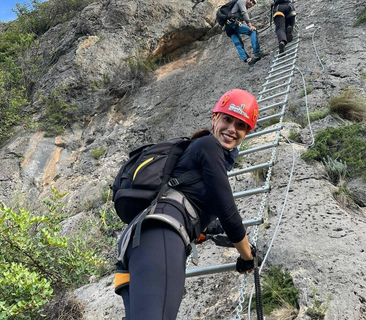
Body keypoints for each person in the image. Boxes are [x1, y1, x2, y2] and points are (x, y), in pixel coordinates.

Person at [115, 89, 259, 320]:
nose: (232, 129)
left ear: (247, 132)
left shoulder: (202, 155)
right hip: (161, 233)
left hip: (145, 240)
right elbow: (228, 211)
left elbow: (195, 209)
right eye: (227, 119)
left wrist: (208, 231)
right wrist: (247, 256)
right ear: (215, 118)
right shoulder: (209, 146)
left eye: (241, 125)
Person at [225, 0, 268, 66]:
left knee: (238, 43)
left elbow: (238, 15)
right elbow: (244, 12)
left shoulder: (239, 5)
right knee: (253, 31)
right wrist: (250, 25)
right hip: (234, 24)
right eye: (251, 1)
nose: (252, 3)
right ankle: (257, 52)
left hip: (228, 27)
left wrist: (244, 23)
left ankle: (248, 60)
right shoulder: (241, 1)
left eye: (254, 3)